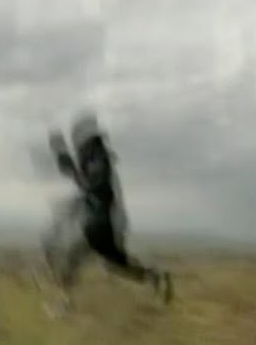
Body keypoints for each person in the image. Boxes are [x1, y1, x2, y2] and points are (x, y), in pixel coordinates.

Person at [41, 113, 173, 312]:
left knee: (82, 260)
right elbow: (83, 181)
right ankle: (155, 276)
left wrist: (66, 162)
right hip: (99, 223)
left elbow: (96, 189)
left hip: (101, 224)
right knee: (83, 261)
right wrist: (63, 158)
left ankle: (154, 277)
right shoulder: (95, 157)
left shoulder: (97, 158)